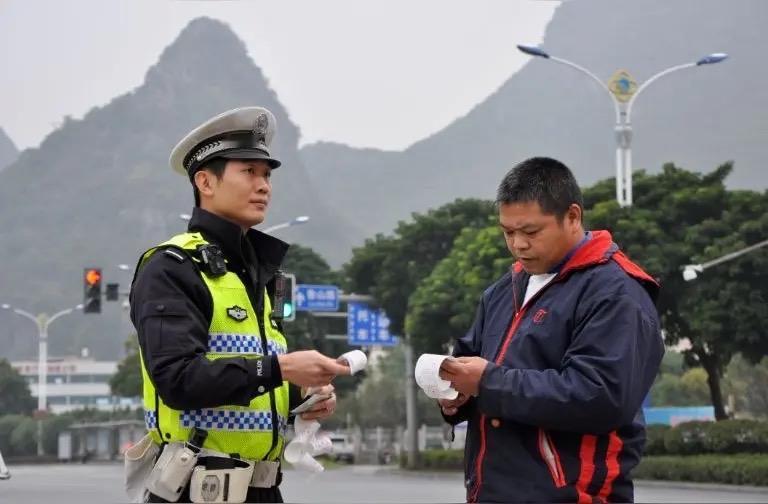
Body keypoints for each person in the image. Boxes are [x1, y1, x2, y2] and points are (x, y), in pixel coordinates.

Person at [130, 106, 349, 502]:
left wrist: (303, 395)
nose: (263, 185)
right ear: (205, 181)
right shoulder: (172, 266)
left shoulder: (260, 271)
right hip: (193, 491)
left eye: (266, 175)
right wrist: (282, 367)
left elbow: (255, 373)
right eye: (248, 172)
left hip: (264, 490)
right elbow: (177, 380)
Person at [438, 157, 663, 503]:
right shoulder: (503, 289)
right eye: (507, 232)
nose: (518, 245)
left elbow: (601, 397)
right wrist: (456, 396)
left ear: (572, 216)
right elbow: (472, 362)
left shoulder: (615, 291)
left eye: (530, 232)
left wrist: (488, 382)